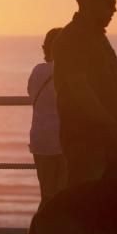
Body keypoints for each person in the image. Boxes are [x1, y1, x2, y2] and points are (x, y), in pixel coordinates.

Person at [52, 0, 117, 189]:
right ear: (89, 2)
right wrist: (112, 127)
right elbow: (80, 89)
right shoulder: (72, 38)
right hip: (85, 140)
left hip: (106, 139)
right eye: (109, 2)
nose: (114, 9)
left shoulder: (98, 37)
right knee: (85, 203)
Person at [27, 27, 66, 202]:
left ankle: (39, 228)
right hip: (61, 139)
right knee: (64, 194)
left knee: (47, 194)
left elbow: (30, 92)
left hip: (39, 139)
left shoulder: (37, 71)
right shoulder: (64, 71)